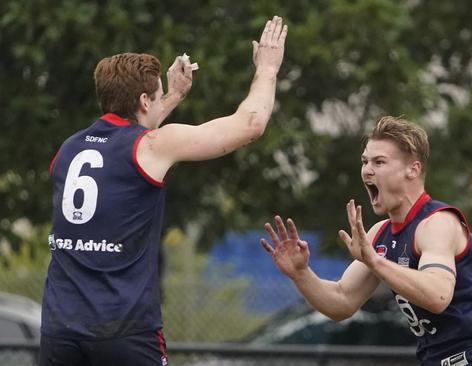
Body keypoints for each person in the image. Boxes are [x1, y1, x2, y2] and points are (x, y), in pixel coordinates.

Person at [41, 16, 287, 366]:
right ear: (143, 101)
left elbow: (131, 135)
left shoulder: (68, 149)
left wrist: (172, 95)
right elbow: (251, 123)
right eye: (155, 98)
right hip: (124, 330)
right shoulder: (152, 146)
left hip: (60, 329)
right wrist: (267, 69)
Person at [261, 116, 472, 365]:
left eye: (379, 162)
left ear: (413, 169)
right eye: (365, 162)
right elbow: (341, 303)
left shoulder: (437, 223)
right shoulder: (379, 234)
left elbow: (437, 295)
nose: (367, 171)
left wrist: (374, 261)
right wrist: (301, 274)